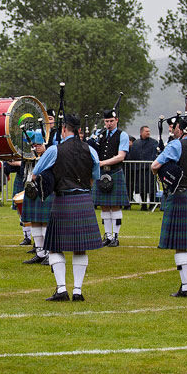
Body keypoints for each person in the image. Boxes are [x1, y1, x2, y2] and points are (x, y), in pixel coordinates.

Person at [32, 114, 102, 301]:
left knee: (56, 247)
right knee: (80, 248)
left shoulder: (55, 150)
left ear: (64, 130)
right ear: (78, 130)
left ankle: (62, 289)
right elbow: (96, 172)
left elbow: (35, 172)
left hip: (63, 200)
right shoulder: (90, 150)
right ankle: (78, 291)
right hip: (84, 199)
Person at [151, 115, 187, 297]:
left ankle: (185, 287)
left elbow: (155, 165)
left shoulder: (176, 145)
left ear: (182, 130)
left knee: (180, 245)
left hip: (179, 196)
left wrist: (164, 176)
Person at [89, 108, 130, 247]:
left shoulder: (122, 135)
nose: (109, 124)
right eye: (106, 121)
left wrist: (102, 163)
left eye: (111, 121)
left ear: (116, 120)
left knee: (115, 206)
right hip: (101, 173)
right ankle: (107, 235)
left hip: (115, 172)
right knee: (104, 206)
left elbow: (121, 156)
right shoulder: (99, 134)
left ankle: (116, 237)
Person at [22, 131, 54, 265]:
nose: (36, 147)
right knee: (34, 220)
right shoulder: (29, 156)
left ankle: (48, 253)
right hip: (31, 190)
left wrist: (44, 152)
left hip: (45, 189)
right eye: (34, 145)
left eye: (39, 145)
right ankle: (39, 252)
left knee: (45, 221)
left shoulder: (50, 154)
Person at [128, 125, 158, 210]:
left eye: (149, 131)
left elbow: (155, 154)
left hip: (150, 168)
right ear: (141, 132)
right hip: (139, 169)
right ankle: (143, 204)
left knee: (152, 187)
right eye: (146, 131)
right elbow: (133, 155)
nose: (148, 133)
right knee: (141, 188)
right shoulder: (136, 143)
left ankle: (152, 204)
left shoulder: (154, 142)